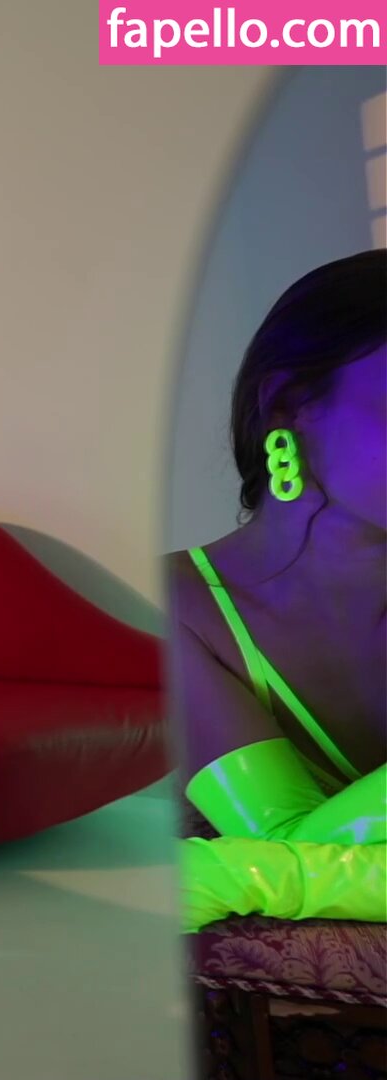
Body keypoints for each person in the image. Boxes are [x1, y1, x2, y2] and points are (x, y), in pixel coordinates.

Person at [166, 250, 385, 932]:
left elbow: (278, 860)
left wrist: (232, 874)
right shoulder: (174, 612)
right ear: (287, 403)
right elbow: (289, 838)